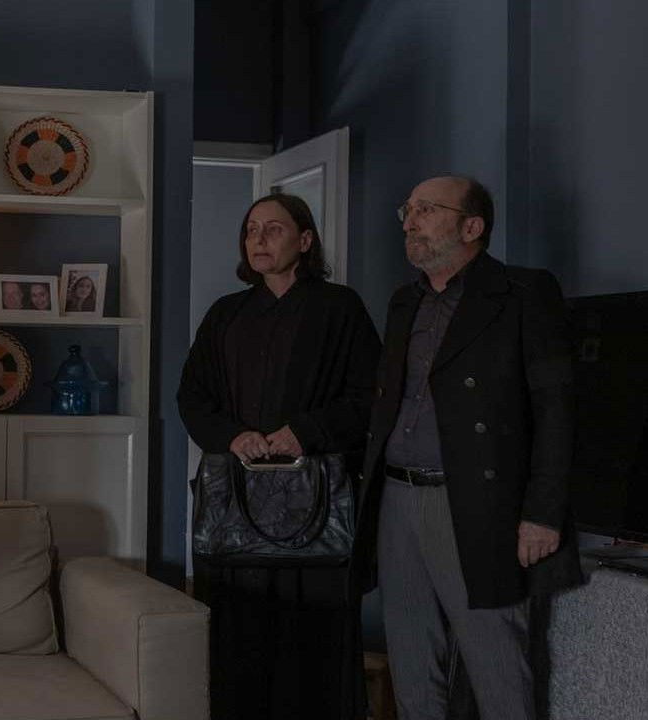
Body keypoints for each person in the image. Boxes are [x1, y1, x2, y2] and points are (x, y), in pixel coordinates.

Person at [356, 176, 582, 720]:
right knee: (412, 661)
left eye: (427, 210)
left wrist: (543, 514)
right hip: (396, 496)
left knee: (496, 661)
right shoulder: (404, 301)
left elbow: (557, 410)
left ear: (472, 227)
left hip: (476, 503)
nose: (410, 222)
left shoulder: (523, 293)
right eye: (407, 210)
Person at [179, 193, 381, 719]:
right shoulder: (226, 314)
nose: (259, 239)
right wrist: (233, 436)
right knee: (236, 633)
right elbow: (192, 398)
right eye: (251, 230)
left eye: (273, 229)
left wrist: (306, 432)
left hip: (317, 504)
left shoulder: (340, 308)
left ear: (305, 240)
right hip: (235, 503)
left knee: (315, 637)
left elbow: (372, 395)